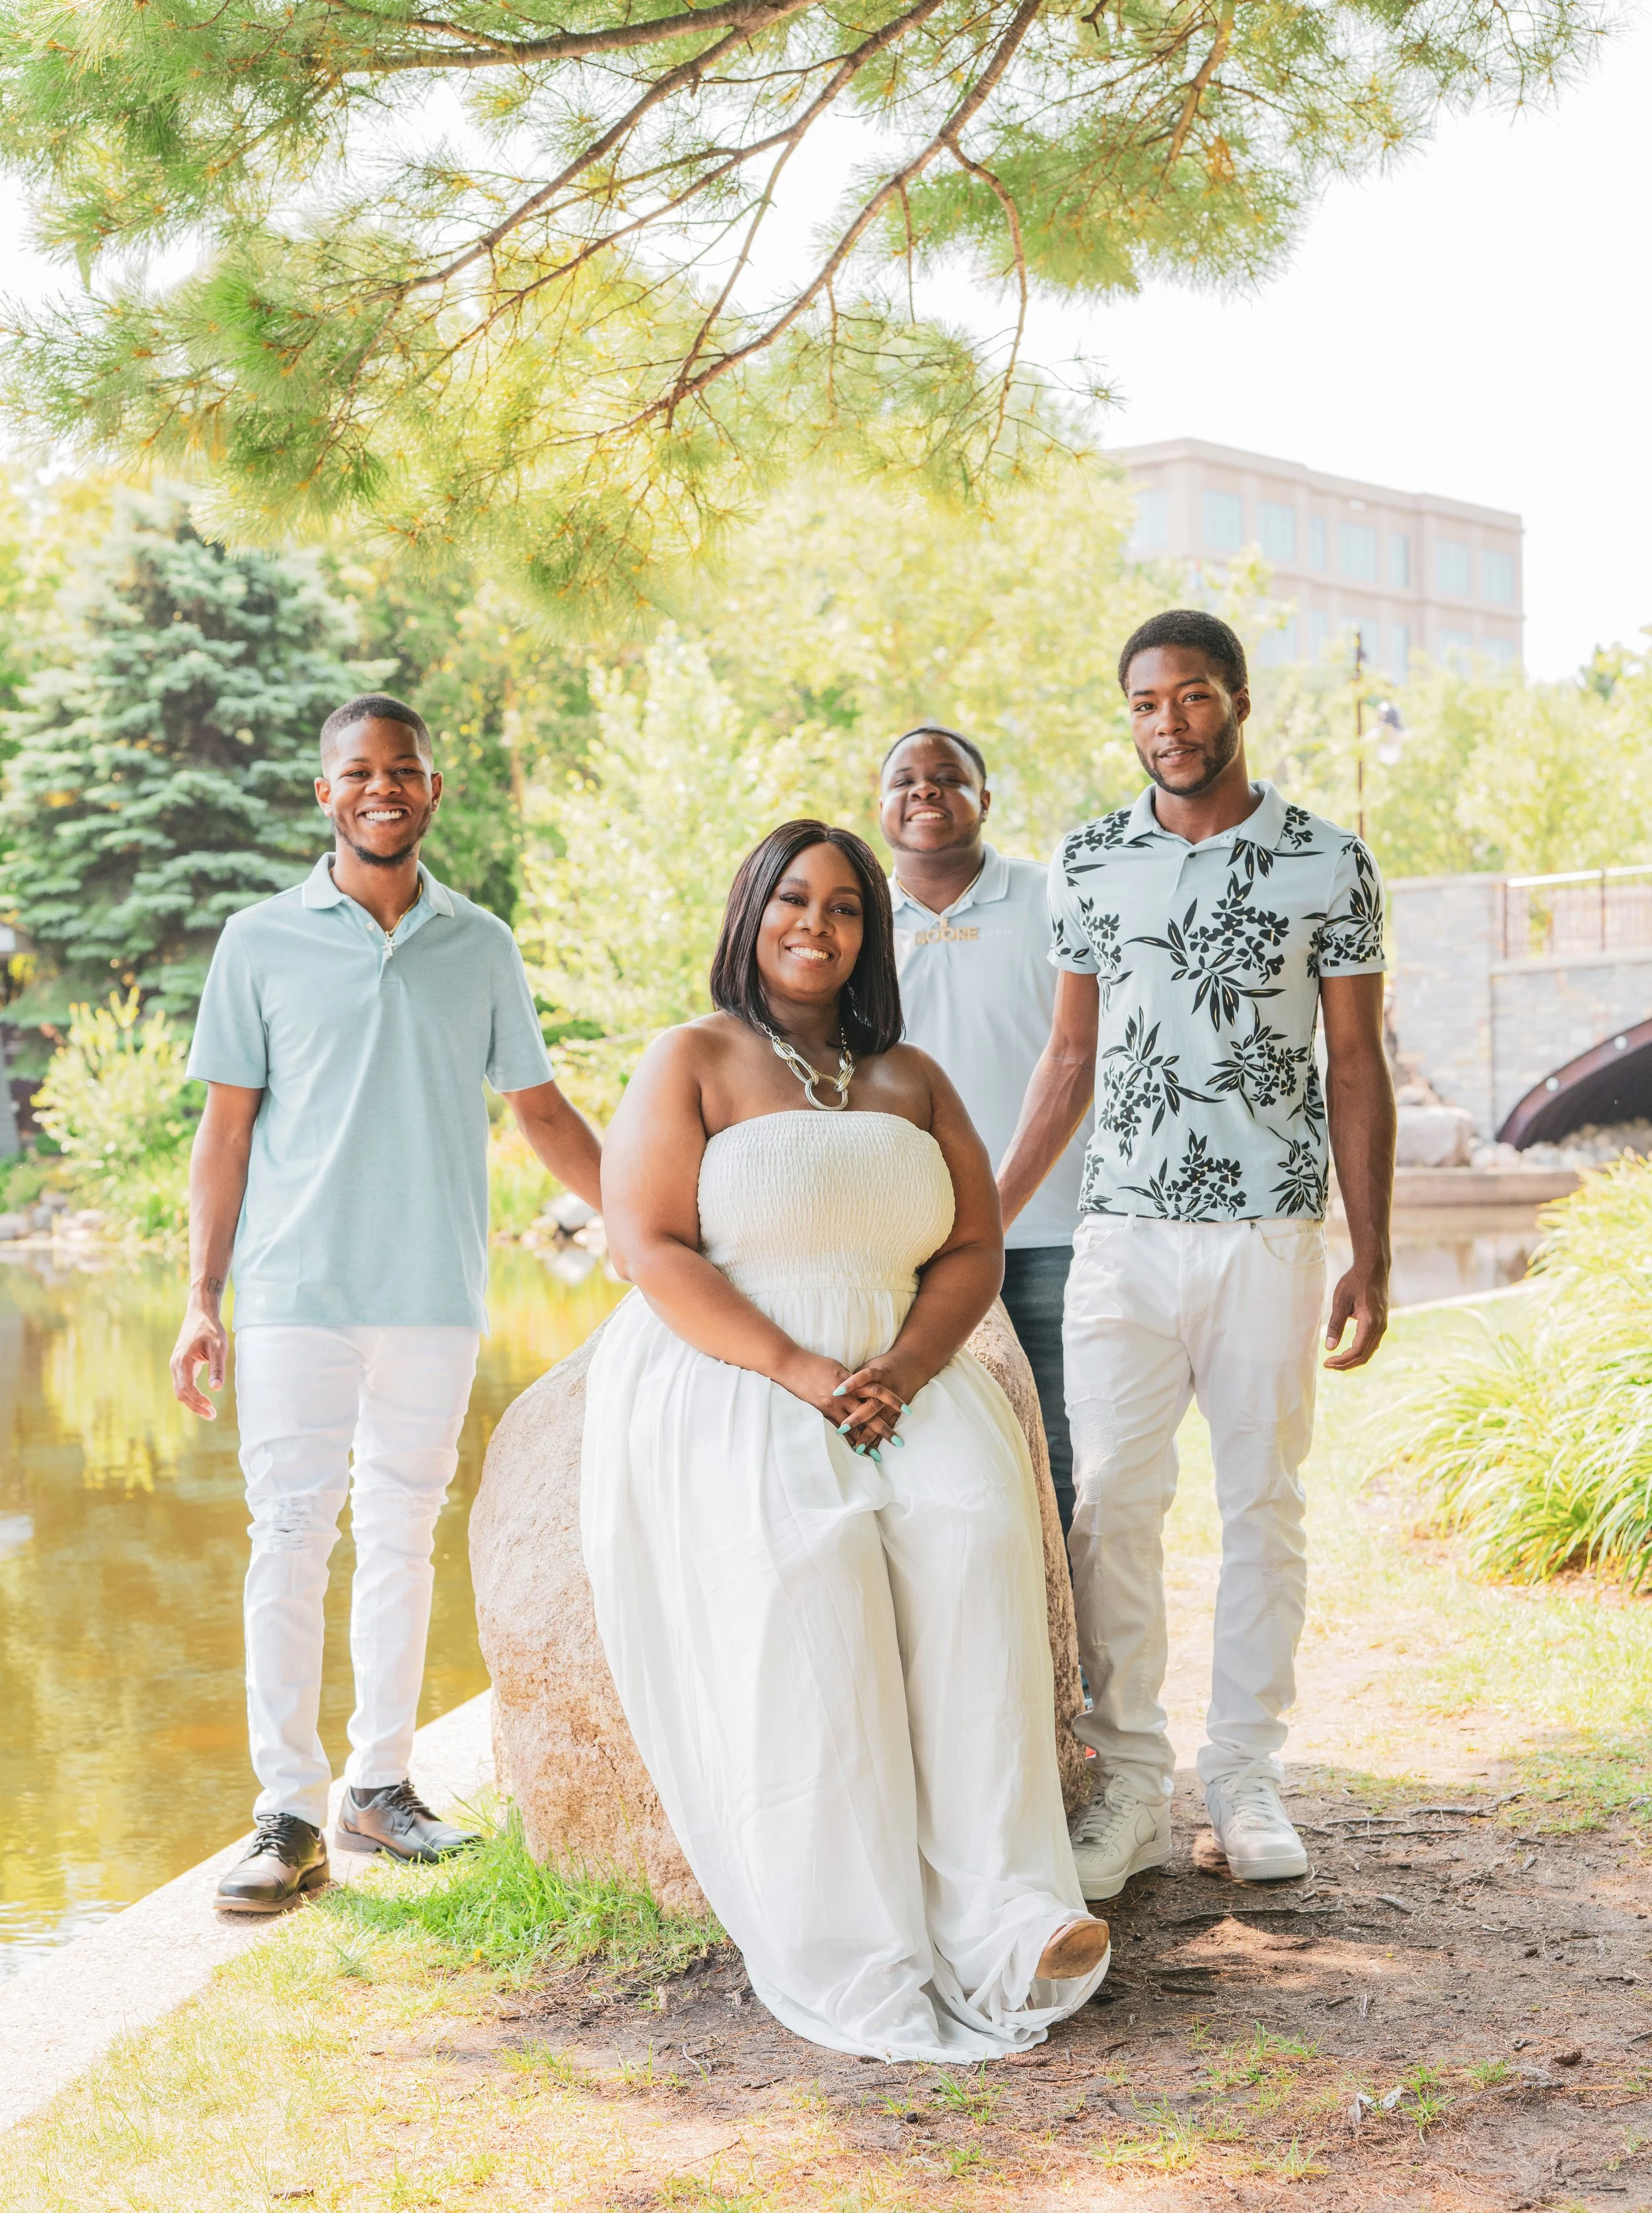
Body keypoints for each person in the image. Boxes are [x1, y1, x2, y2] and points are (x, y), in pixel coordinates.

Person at [582, 818, 1110, 2060]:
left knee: (978, 1547)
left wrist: (908, 1366)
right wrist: (803, 1368)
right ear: (749, 911)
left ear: (873, 934)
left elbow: (974, 1242)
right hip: (741, 1370)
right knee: (812, 1583)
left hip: (905, 1374)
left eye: (845, 907)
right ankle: (860, 1944)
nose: (816, 925)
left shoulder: (912, 1075)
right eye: (792, 900)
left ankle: (1006, 1917)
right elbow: (646, 1242)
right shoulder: (691, 1057)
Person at [171, 693, 603, 1915]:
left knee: (404, 1534)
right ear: (326, 793)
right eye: (358, 771)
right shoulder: (258, 940)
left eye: (403, 769)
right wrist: (201, 1298)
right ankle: (285, 1813)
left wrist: (655, 1222)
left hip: (431, 1292)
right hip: (297, 1292)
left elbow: (543, 1113)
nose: (382, 788)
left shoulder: (483, 944)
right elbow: (225, 1130)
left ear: (432, 790)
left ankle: (381, 1784)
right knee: (289, 1537)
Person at [997, 611, 1394, 1900]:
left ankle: (1243, 1776)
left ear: (1234, 702)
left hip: (1268, 1236)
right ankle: (1128, 1783)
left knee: (1261, 1506)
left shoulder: (1326, 862)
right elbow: (1065, 1060)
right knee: (1110, 1505)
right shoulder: (1088, 862)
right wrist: (985, 1220)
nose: (1165, 723)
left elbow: (1353, 1064)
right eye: (1143, 704)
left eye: (1189, 697)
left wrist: (1369, 1248)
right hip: (1121, 1236)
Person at [880, 724, 1089, 1534]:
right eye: (904, 779)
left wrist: (993, 1219)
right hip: (902, 1249)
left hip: (1044, 1240)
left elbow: (1085, 1055)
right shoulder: (848, 920)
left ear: (986, 801)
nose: (925, 791)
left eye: (948, 778)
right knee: (928, 1466)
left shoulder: (1052, 899)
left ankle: (1070, 1663)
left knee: (1062, 1464)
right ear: (881, 803)